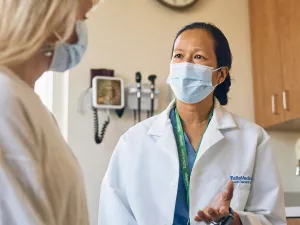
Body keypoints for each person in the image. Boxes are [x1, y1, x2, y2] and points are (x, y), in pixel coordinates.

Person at [99, 22, 286, 225]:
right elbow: (113, 214)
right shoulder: (133, 141)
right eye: (178, 56)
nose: (185, 65)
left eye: (198, 57)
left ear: (221, 74)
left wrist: (235, 220)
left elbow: (272, 220)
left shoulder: (252, 139)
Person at [0, 0, 97, 224]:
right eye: (83, 18)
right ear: (55, 17)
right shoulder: (6, 101)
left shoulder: (29, 104)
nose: (80, 32)